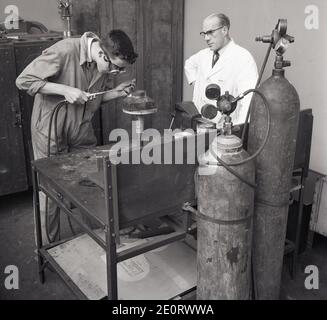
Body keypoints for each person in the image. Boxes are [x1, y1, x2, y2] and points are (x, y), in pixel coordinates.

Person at [16, 30, 138, 243]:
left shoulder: (102, 65)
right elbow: (24, 80)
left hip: (80, 133)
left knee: (90, 183)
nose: (116, 72)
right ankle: (48, 246)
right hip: (51, 133)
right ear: (102, 54)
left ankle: (98, 238)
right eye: (116, 67)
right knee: (50, 193)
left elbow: (93, 100)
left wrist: (116, 92)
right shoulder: (65, 51)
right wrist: (64, 89)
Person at [185, 13, 258, 126]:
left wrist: (238, 130)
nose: (206, 38)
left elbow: (249, 101)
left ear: (224, 30)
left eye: (210, 32)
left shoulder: (243, 57)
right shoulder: (204, 54)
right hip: (199, 121)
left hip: (225, 129)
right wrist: (198, 85)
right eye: (204, 34)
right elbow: (189, 64)